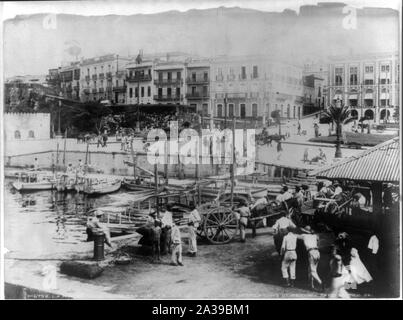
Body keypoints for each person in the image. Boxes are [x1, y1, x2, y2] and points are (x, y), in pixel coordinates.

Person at [300, 225, 323, 290]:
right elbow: (318, 237)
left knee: (313, 271)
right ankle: (311, 285)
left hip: (311, 252)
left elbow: (297, 235)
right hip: (317, 252)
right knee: (310, 270)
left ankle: (321, 283)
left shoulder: (304, 235)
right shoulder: (315, 236)